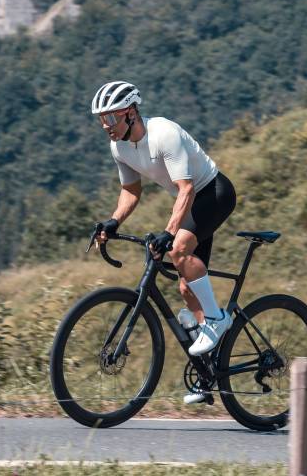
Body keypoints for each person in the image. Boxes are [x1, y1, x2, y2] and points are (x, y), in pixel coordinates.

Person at [92, 81, 237, 403]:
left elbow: (185, 189)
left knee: (178, 250)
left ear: (129, 113)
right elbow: (131, 190)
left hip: (213, 194)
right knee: (187, 286)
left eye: (110, 118)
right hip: (192, 203)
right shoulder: (119, 147)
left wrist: (170, 232)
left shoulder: (163, 133)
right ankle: (208, 373)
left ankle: (217, 319)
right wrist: (114, 221)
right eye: (101, 119)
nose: (105, 126)